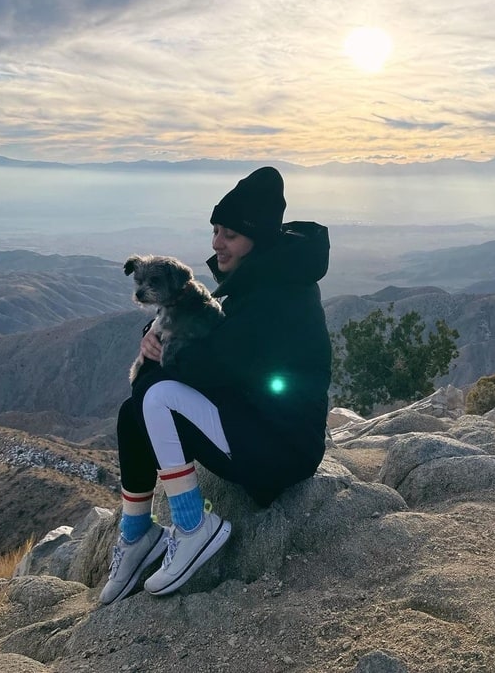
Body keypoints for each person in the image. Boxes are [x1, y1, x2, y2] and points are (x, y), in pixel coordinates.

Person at [99, 166, 331, 604]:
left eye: (228, 234)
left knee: (155, 393)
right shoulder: (264, 278)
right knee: (135, 411)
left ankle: (192, 527)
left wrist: (162, 348)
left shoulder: (276, 295)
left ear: (256, 237)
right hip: (256, 420)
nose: (215, 243)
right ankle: (137, 533)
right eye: (215, 230)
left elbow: (216, 361)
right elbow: (212, 342)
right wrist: (155, 333)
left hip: (281, 451)